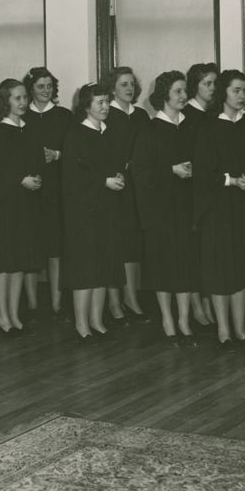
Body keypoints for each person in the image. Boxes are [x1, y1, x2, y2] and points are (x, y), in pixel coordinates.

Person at [194, 70, 245, 353]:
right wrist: (231, 180)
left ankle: (240, 328)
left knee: (240, 267)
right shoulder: (208, 127)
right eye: (236, 90)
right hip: (217, 207)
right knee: (219, 268)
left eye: (243, 91)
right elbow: (203, 172)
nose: (241, 96)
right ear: (223, 93)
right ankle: (224, 330)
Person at [131, 71, 198, 346]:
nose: (184, 96)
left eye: (184, 91)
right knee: (163, 265)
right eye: (178, 92)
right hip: (160, 209)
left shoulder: (190, 127)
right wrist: (171, 170)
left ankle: (184, 319)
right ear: (164, 96)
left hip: (186, 207)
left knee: (185, 265)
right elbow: (140, 171)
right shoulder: (149, 130)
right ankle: (168, 320)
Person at [0, 79, 46, 336]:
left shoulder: (28, 130)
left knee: (19, 262)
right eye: (17, 98)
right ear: (5, 101)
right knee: (3, 264)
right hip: (4, 206)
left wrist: (37, 178)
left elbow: (37, 162)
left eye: (24, 98)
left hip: (25, 206)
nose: (23, 102)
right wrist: (21, 180)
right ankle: (3, 317)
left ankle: (15, 315)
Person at [62, 83, 124, 340]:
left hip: (106, 209)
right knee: (85, 269)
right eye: (99, 103)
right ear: (86, 106)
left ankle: (97, 321)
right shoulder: (76, 135)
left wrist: (119, 175)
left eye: (107, 102)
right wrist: (103, 182)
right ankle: (81, 324)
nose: (105, 106)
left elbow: (114, 163)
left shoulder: (108, 133)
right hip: (83, 213)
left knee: (103, 267)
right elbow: (73, 177)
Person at [22, 67, 73, 317]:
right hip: (29, 190)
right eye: (40, 86)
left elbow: (75, 151)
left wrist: (57, 154)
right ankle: (31, 303)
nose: (45, 91)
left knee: (55, 248)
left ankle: (56, 303)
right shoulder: (22, 116)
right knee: (30, 248)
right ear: (31, 88)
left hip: (55, 189)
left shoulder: (64, 115)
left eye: (49, 86)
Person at [103, 66, 149, 325]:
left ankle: (131, 298)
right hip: (116, 187)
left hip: (137, 189)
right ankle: (113, 301)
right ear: (112, 88)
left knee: (132, 245)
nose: (129, 88)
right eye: (123, 84)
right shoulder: (107, 114)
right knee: (114, 245)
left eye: (132, 84)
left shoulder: (141, 115)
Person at [182, 62, 219, 330]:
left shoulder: (213, 114)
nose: (213, 88)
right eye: (207, 83)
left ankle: (206, 304)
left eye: (215, 84)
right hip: (189, 192)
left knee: (209, 253)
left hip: (211, 192)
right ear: (195, 86)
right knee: (193, 252)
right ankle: (197, 307)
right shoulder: (187, 116)